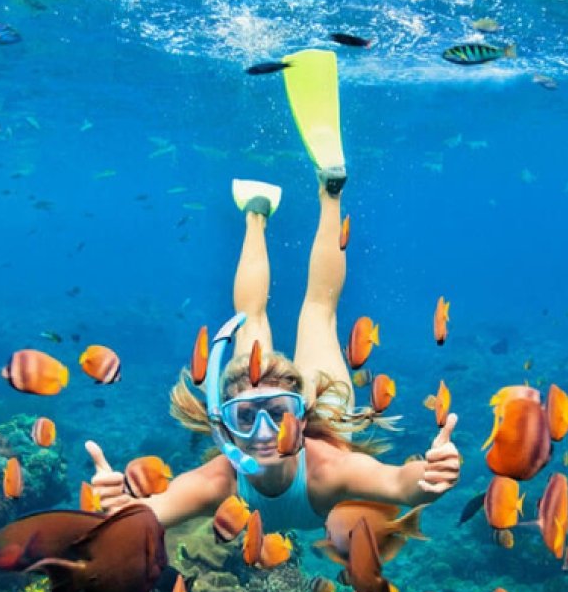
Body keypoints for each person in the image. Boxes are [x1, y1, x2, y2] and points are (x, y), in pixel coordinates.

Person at [84, 49, 459, 531]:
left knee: (266, 316)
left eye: (278, 413)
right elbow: (149, 515)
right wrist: (120, 509)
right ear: (227, 426)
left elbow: (399, 484)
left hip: (322, 418)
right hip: (333, 410)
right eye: (247, 418)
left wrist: (426, 479)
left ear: (301, 418)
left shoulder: (327, 468)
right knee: (316, 313)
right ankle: (315, 194)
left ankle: (270, 208)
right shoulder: (220, 478)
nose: (264, 433)